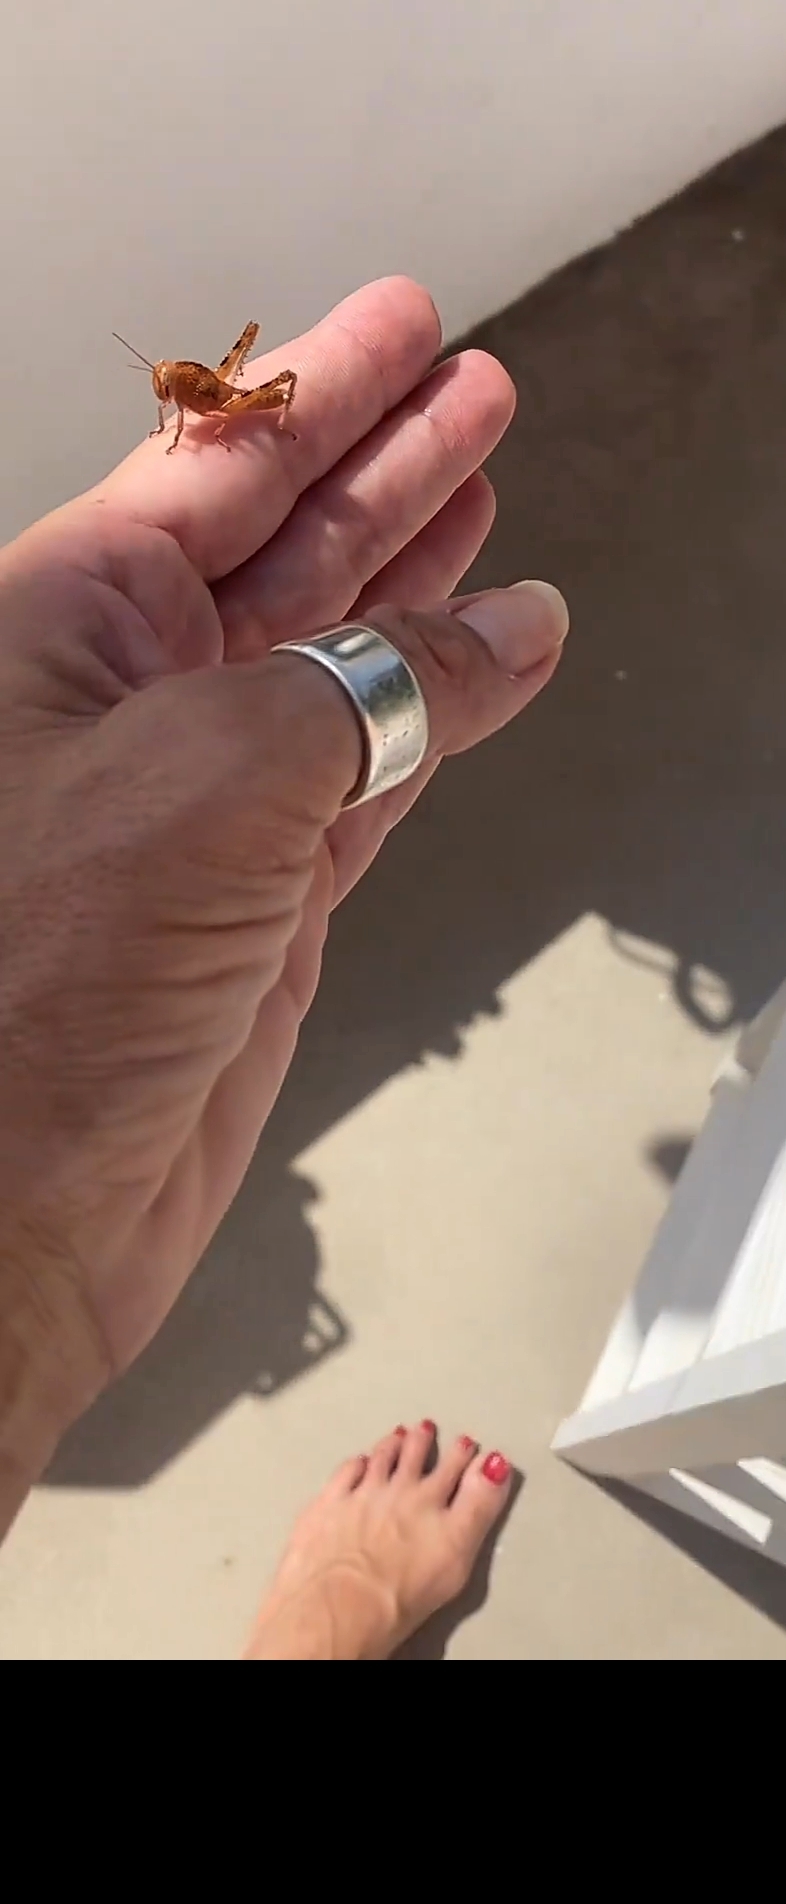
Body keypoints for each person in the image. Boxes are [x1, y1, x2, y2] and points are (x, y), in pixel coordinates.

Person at [0, 276, 569, 1660]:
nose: (174, 397)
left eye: (179, 388)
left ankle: (331, 1618)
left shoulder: (215, 402)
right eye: (176, 391)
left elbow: (226, 409)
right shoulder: (189, 409)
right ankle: (337, 1616)